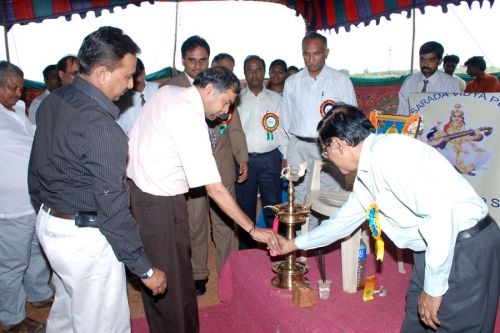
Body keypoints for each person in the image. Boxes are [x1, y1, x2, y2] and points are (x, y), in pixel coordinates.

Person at [276, 104, 500, 333]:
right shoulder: (368, 168)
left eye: (326, 151)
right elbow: (340, 223)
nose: (328, 158)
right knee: (417, 320)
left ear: (338, 144)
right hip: (435, 250)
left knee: (454, 323)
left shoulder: (391, 156)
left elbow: (441, 216)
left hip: (465, 248)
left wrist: (434, 289)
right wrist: (292, 244)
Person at [28, 26, 167, 333]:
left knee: (67, 310)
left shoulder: (54, 100)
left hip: (51, 225)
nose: (131, 85)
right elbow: (114, 212)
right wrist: (144, 269)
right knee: (103, 324)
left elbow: (35, 169)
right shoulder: (102, 128)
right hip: (84, 240)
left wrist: (46, 212)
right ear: (103, 73)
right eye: (127, 75)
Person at [127, 66, 281, 333]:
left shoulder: (170, 92)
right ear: (209, 89)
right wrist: (253, 230)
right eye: (226, 102)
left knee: (176, 277)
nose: (225, 111)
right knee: (169, 284)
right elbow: (215, 188)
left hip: (148, 195)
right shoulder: (189, 115)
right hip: (158, 202)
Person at [282, 31, 357, 230]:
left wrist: (345, 152)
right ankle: (304, 245)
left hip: (329, 148)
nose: (311, 59)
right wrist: (287, 151)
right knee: (300, 198)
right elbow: (286, 121)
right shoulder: (292, 82)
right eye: (306, 54)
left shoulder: (340, 81)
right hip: (298, 147)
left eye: (316, 54)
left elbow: (351, 119)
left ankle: (328, 245)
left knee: (330, 197)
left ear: (326, 53)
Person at [0, 61, 53, 333]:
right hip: (10, 208)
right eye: (12, 87)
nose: (18, 92)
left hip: (34, 200)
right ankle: (11, 318)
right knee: (12, 265)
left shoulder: (20, 110)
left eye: (21, 86)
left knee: (35, 251)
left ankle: (37, 292)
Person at [236, 55, 288, 248]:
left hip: (271, 160)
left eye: (258, 70)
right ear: (244, 73)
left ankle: (277, 246)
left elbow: (282, 129)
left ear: (264, 72)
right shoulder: (237, 99)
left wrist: (284, 156)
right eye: (250, 70)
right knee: (245, 208)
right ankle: (246, 250)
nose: (254, 74)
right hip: (245, 161)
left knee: (273, 208)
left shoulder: (275, 100)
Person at [207, 53, 249, 272]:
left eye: (231, 70)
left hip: (222, 170)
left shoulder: (228, 101)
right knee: (195, 226)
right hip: (190, 175)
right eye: (223, 69)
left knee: (224, 224)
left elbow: (236, 132)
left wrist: (242, 158)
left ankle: (227, 271)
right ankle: (198, 272)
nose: (228, 74)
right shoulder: (193, 95)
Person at [397, 41, 461, 115]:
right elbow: (402, 112)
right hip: (412, 125)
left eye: (431, 60)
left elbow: (454, 113)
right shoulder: (410, 82)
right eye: (422, 59)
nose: (425, 64)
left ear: (440, 61)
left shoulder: (451, 84)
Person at [427, 104, 492, 175]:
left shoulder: (466, 126)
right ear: (451, 117)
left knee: (485, 153)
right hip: (450, 146)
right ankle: (463, 168)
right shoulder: (447, 126)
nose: (457, 118)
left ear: (462, 118)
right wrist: (438, 129)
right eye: (454, 116)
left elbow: (469, 137)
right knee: (466, 154)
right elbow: (441, 136)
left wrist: (476, 137)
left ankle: (468, 168)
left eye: (459, 116)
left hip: (463, 144)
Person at [116, 58, 159, 134]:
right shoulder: (121, 101)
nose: (135, 80)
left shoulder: (159, 90)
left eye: (137, 75)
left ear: (144, 72)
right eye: (131, 76)